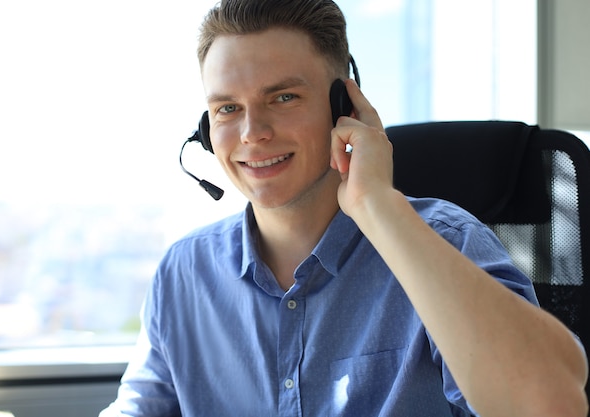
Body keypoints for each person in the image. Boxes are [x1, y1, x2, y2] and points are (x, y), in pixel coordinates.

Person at [100, 0, 588, 416]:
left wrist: (376, 204)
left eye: (283, 96)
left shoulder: (447, 241)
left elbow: (553, 404)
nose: (252, 133)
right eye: (227, 108)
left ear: (345, 107)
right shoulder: (184, 273)